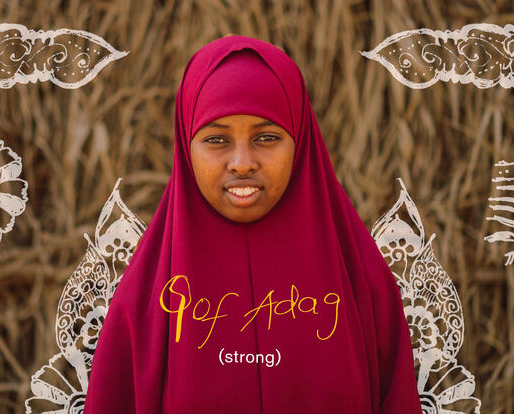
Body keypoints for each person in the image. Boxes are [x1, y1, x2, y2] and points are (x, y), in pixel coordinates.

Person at [84, 35, 422, 413]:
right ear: (184, 144)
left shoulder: (363, 283)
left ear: (300, 139)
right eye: (216, 138)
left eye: (266, 137)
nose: (242, 162)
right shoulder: (143, 306)